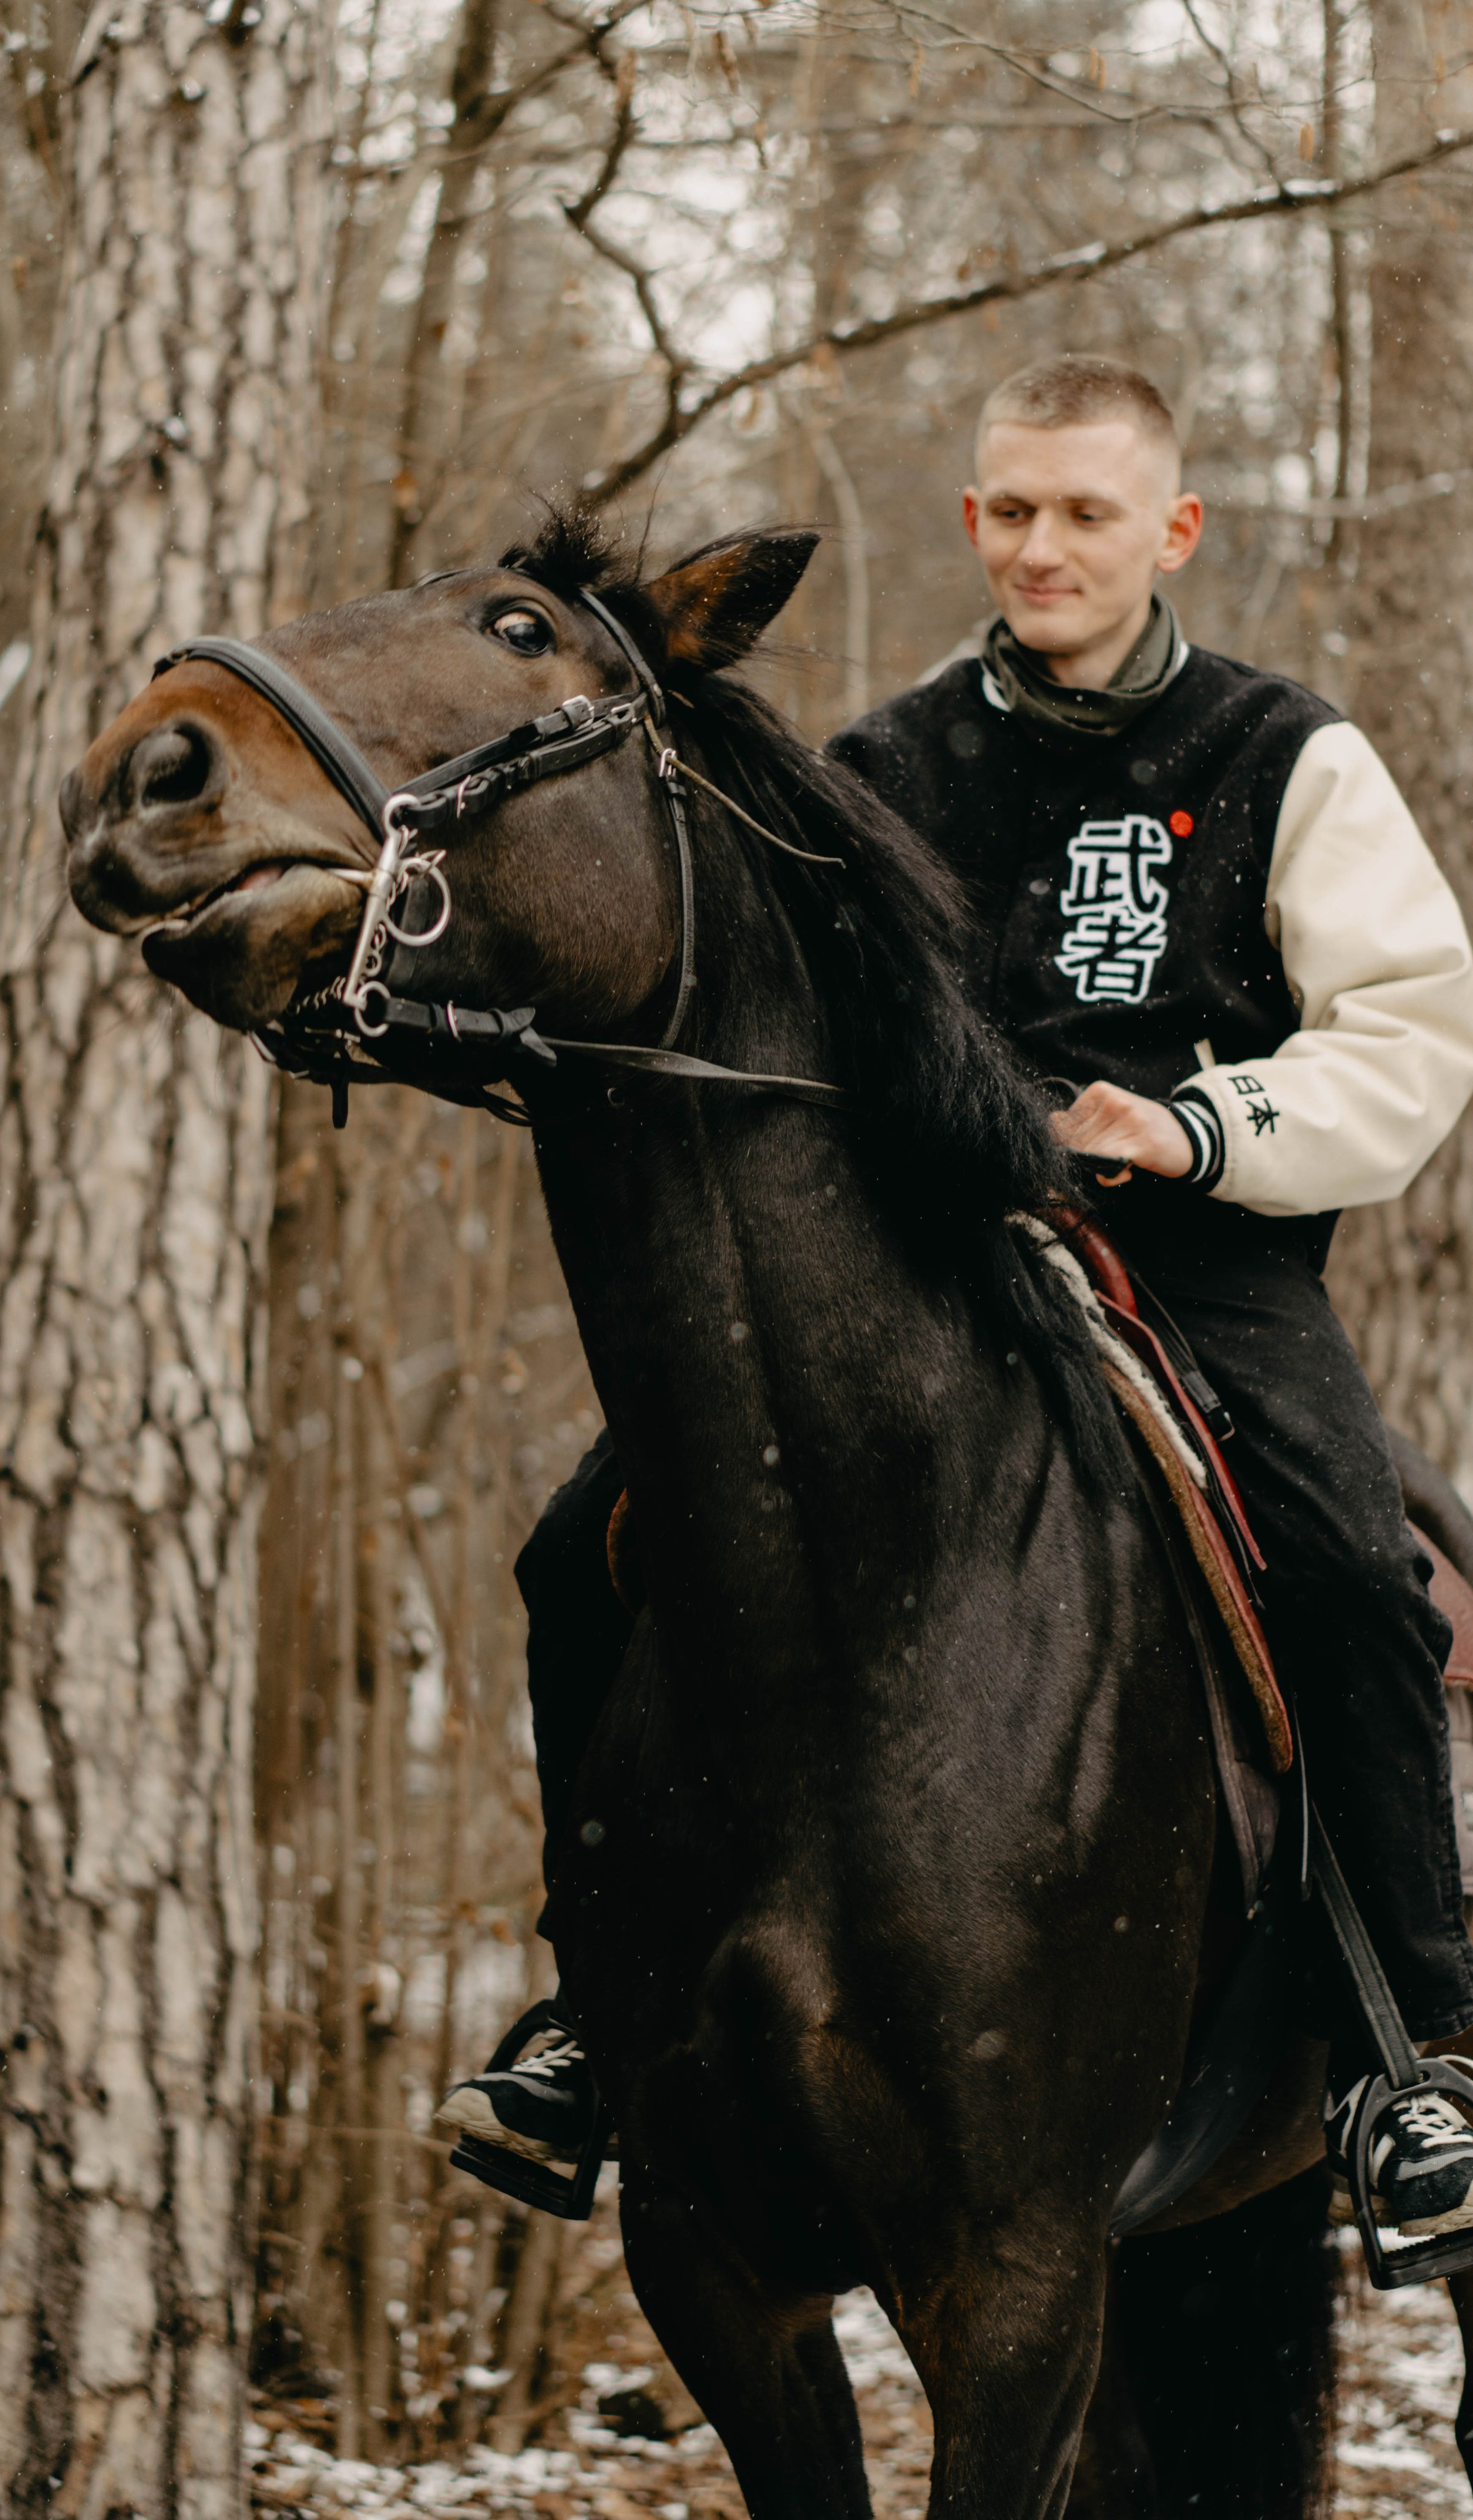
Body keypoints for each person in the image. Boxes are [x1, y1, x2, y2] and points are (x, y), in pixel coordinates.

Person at [438, 354, 1473, 2236]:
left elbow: (1411, 1032)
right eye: (1010, 509)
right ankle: (600, 2013)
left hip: (1200, 1261)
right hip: (928, 1257)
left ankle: (1421, 2055)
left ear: (1173, 529)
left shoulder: (1281, 752)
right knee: (578, 1548)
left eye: (1087, 514)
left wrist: (1189, 1127)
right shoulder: (885, 766)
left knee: (1346, 1564)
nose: (1041, 547)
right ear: (974, 516)